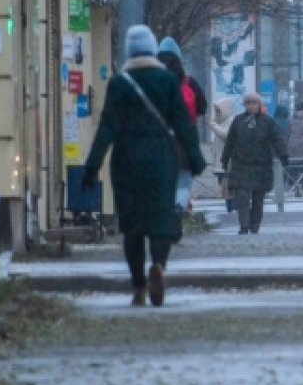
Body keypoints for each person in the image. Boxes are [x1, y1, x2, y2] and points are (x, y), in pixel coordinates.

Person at [83, 25, 205, 307]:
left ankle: (138, 286)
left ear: (129, 51)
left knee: (133, 226)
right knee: (161, 220)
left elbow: (107, 128)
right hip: (162, 160)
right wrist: (195, 159)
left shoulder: (119, 83)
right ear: (152, 50)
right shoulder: (166, 81)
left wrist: (92, 167)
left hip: (126, 161)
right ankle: (159, 265)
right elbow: (182, 124)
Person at [221, 92, 287, 234]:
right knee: (242, 197)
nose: (251, 106)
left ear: (259, 105)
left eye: (254, 103)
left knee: (258, 198)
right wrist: (225, 159)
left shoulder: (268, 122)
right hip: (241, 164)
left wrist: (283, 155)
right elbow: (230, 141)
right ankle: (244, 226)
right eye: (248, 103)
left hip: (261, 165)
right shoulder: (238, 121)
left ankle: (254, 225)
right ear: (244, 105)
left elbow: (277, 139)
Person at [157, 36, 206, 218]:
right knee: (185, 180)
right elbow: (202, 105)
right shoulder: (188, 81)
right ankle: (179, 207)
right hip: (185, 138)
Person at [210, 97, 237, 212]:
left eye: (218, 110)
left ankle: (232, 206)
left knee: (228, 183)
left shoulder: (231, 120)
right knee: (224, 184)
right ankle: (230, 205)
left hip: (228, 159)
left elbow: (226, 135)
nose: (216, 113)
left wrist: (213, 125)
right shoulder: (220, 121)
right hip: (220, 158)